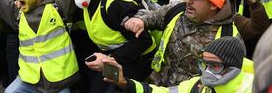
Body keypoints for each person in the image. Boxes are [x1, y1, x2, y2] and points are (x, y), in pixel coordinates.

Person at [124, 0, 246, 86]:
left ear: (213, 4)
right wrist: (140, 21)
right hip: (156, 86)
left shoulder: (229, 39)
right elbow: (154, 16)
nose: (188, 0)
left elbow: (227, 82)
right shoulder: (177, 10)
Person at [105, 37, 253, 93]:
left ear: (233, 68)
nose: (207, 72)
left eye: (214, 66)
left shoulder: (255, 87)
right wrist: (125, 83)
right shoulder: (197, 85)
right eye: (205, 64)